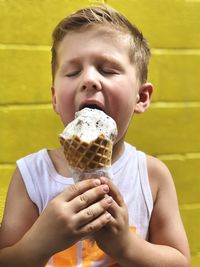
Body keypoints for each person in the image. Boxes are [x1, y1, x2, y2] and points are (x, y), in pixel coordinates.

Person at [0, 4, 190, 267]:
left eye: (108, 69)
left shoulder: (152, 176)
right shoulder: (32, 175)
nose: (89, 79)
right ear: (55, 98)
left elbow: (180, 262)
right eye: (73, 72)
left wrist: (126, 246)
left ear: (141, 97)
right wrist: (38, 243)